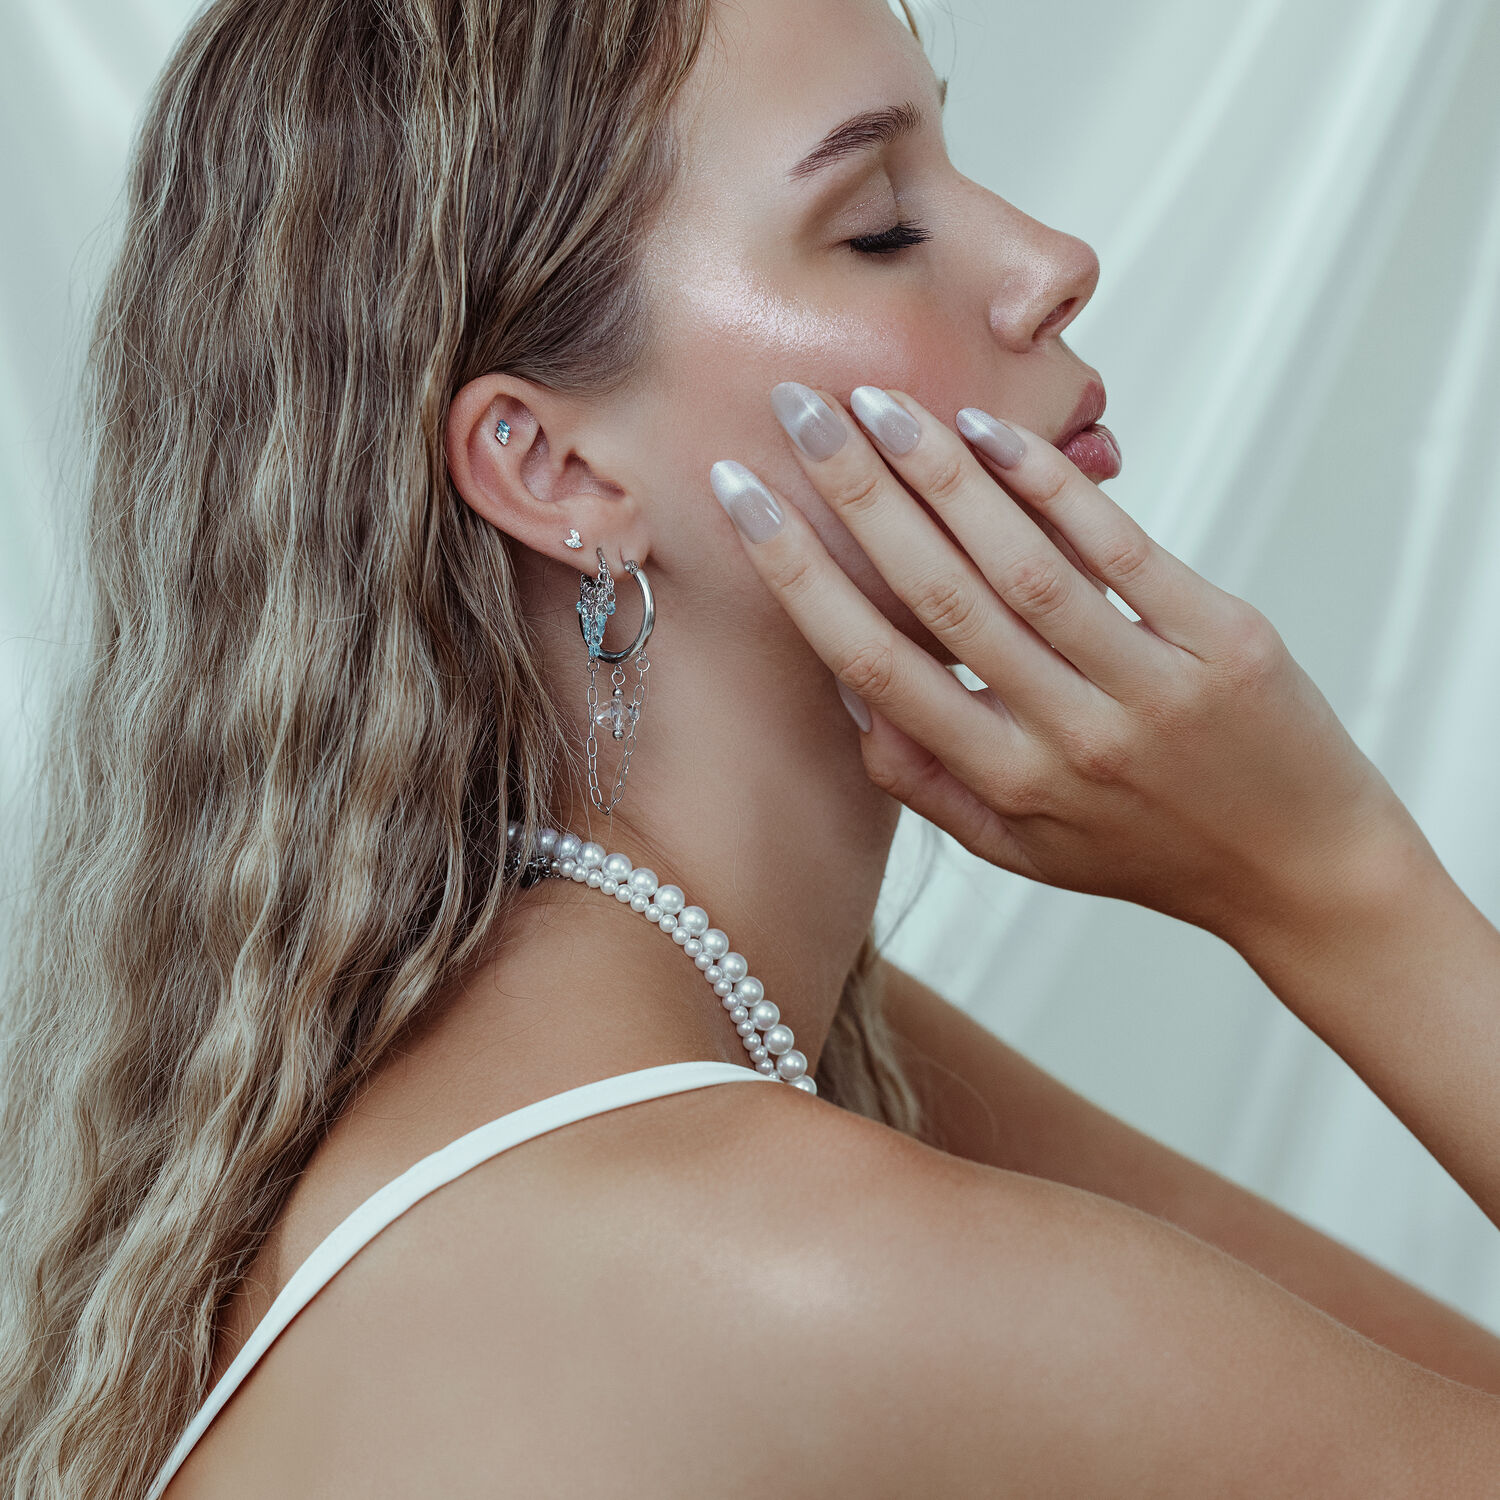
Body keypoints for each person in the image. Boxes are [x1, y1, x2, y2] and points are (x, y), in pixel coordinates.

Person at [3, 0, 1500, 1492]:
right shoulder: (795, 1268)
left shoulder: (626, 1047)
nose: (1056, 264)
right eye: (879, 227)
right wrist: (1332, 882)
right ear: (556, 468)